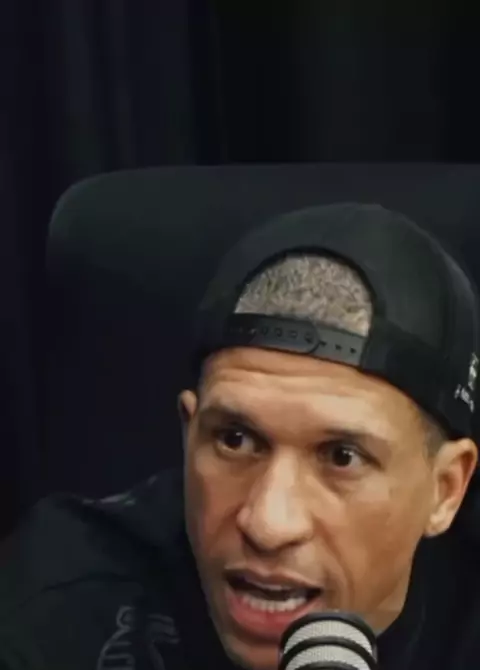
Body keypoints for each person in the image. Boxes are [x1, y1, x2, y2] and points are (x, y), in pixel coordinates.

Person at [1, 202, 480, 670]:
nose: (268, 526)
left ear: (445, 491)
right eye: (234, 439)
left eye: (342, 456)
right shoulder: (60, 606)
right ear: (188, 433)